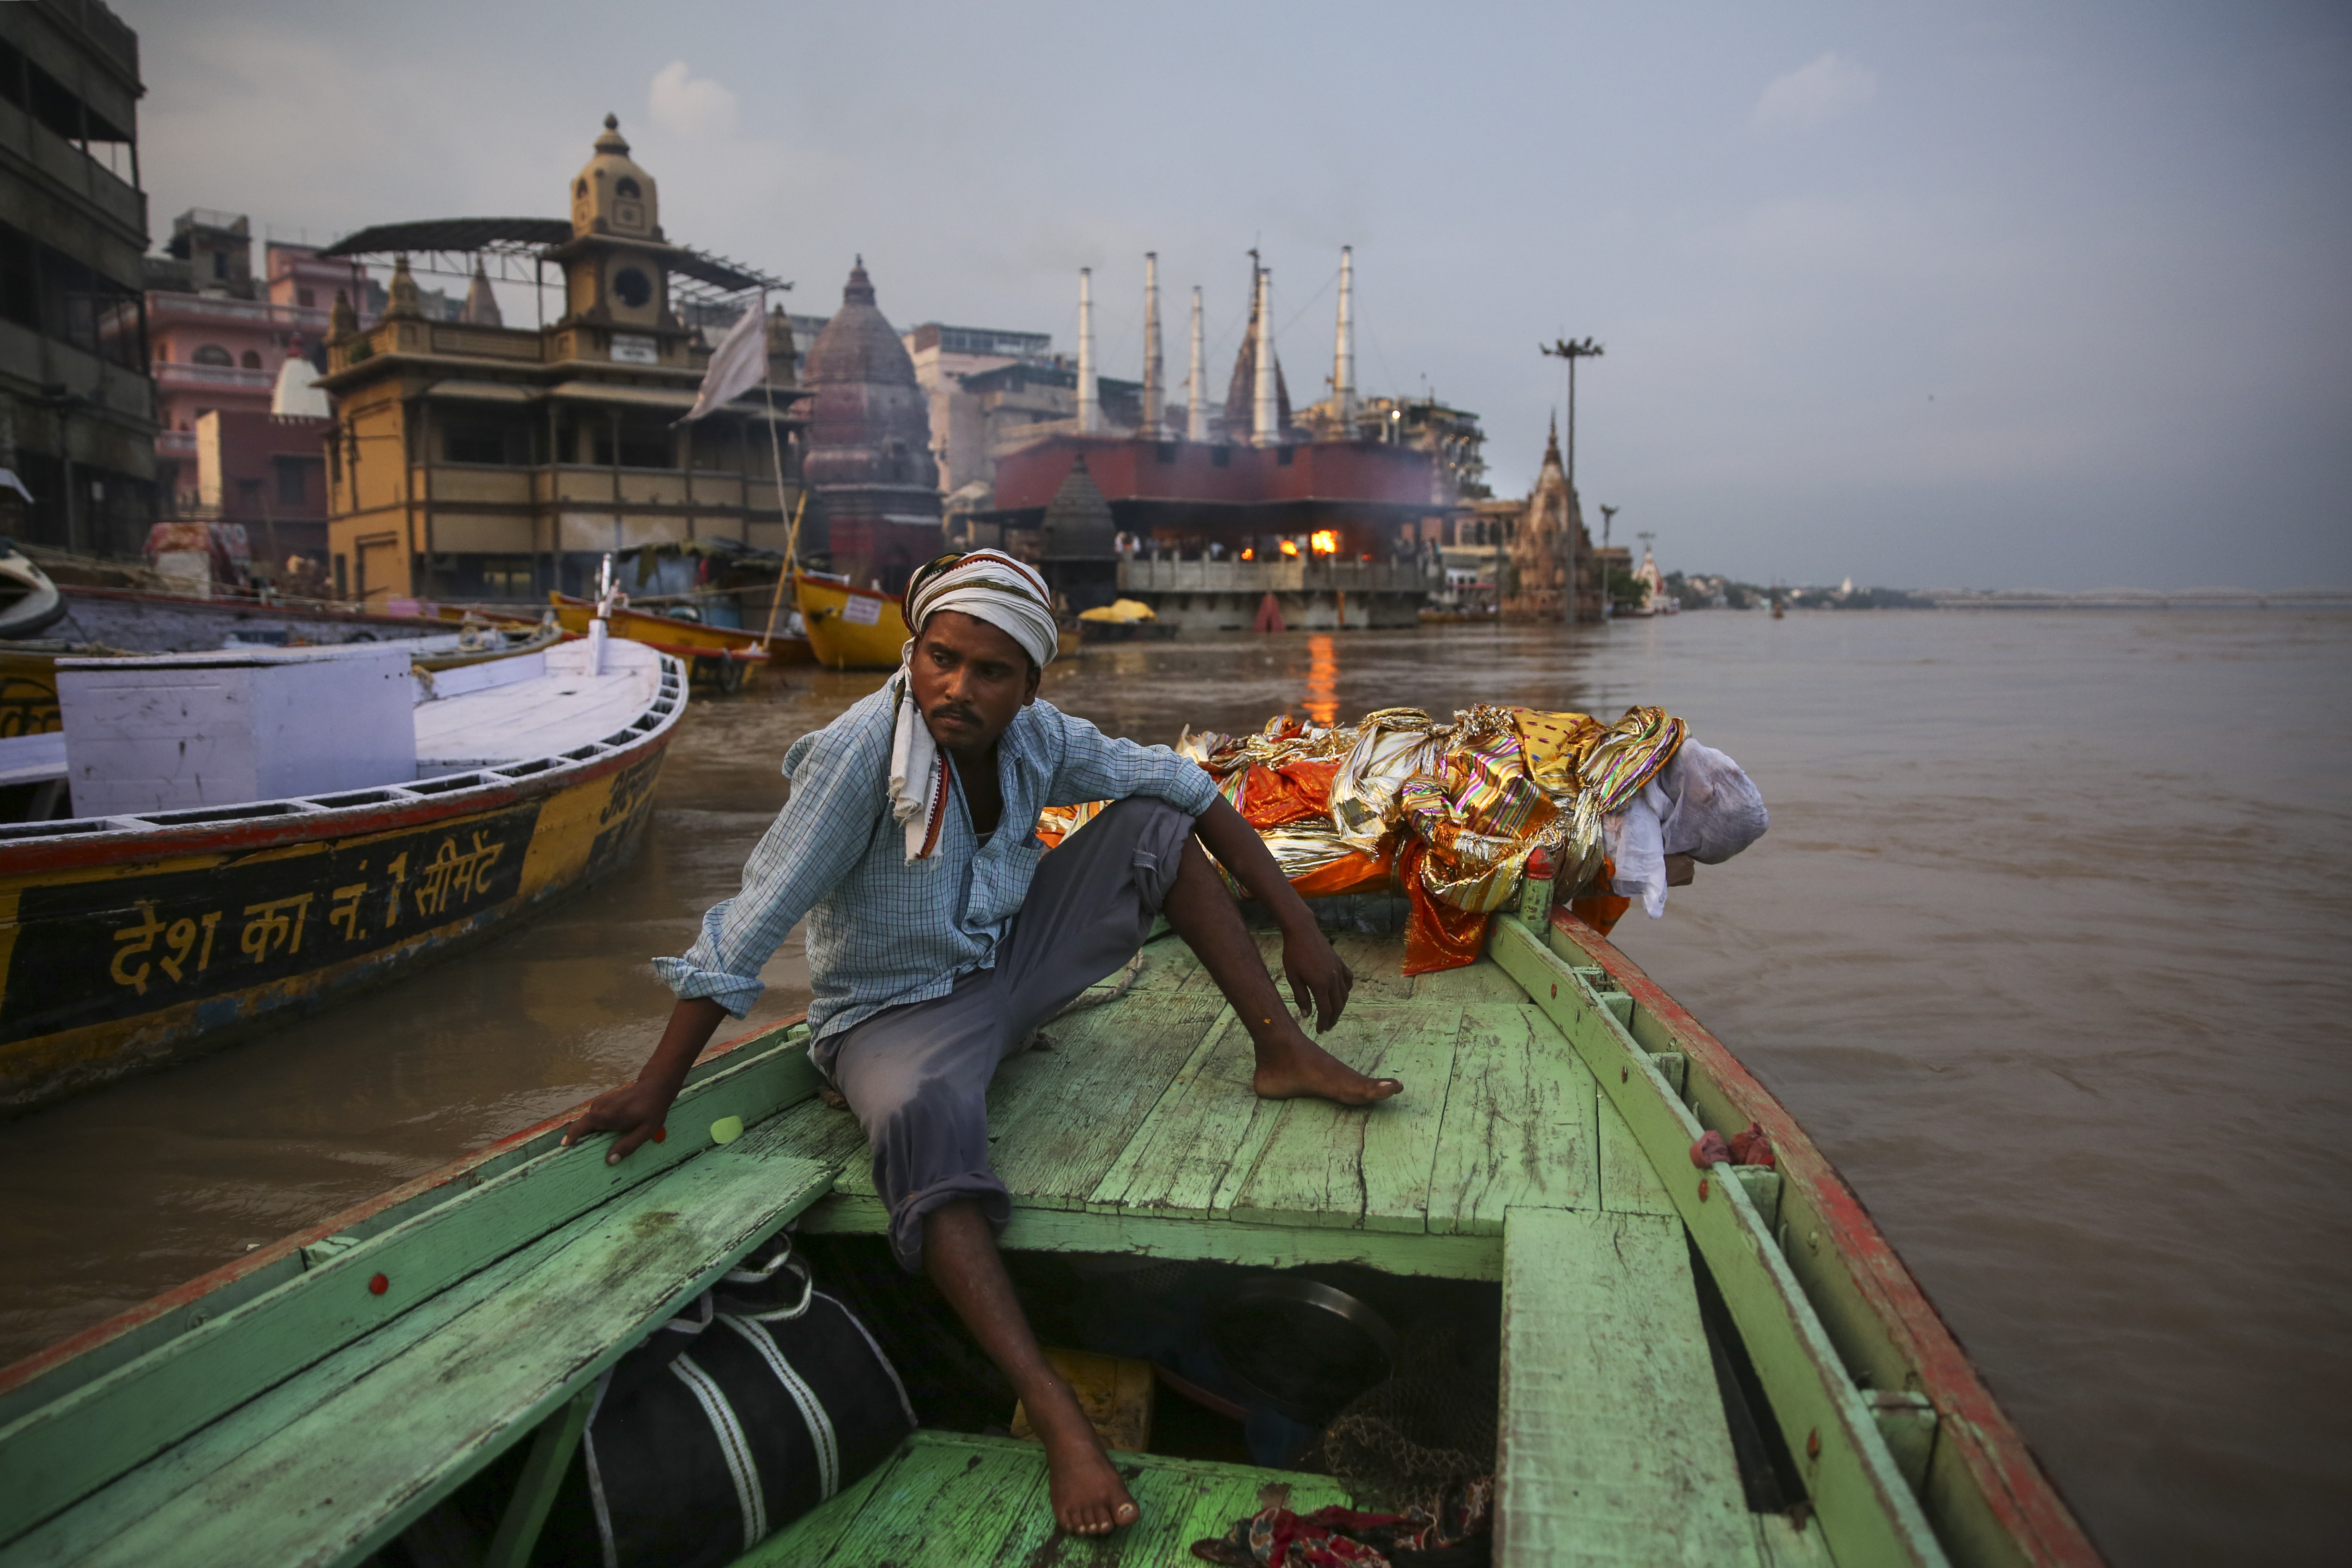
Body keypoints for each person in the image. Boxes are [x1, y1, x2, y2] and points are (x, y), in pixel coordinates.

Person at [564, 549, 1402, 1538]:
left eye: (989, 671)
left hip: (1004, 968)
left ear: (1030, 685)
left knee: (1153, 828)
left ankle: (1280, 1051)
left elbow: (1185, 785)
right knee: (920, 1119)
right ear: (914, 651)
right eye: (938, 658)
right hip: (892, 1015)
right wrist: (657, 1085)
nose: (955, 688)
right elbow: (748, 923)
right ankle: (1053, 1410)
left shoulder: (1041, 738)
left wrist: (1296, 921)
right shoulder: (857, 758)